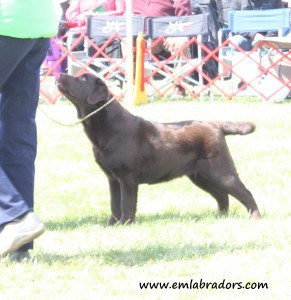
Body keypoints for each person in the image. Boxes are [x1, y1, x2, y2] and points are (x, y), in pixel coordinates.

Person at [0, 1, 59, 261]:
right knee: (17, 131)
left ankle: (14, 215)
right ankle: (20, 248)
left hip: (6, 20)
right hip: (38, 21)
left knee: (15, 130)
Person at [132, 0, 192, 98]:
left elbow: (182, 7)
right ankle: (135, 86)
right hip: (143, 35)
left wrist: (180, 27)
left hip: (168, 32)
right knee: (127, 41)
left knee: (181, 42)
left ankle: (180, 87)